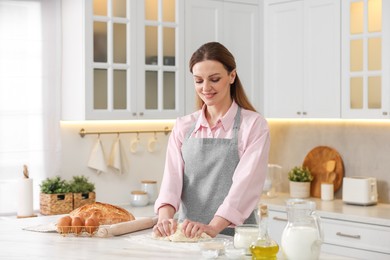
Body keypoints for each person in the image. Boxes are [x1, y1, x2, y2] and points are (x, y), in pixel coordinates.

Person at [153, 42, 270, 238]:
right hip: (188, 237)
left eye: (214, 79)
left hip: (236, 239)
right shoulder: (183, 126)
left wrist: (213, 227)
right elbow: (171, 181)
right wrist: (165, 218)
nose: (206, 88)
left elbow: (245, 186)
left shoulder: (253, 125)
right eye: (198, 81)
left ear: (232, 76)